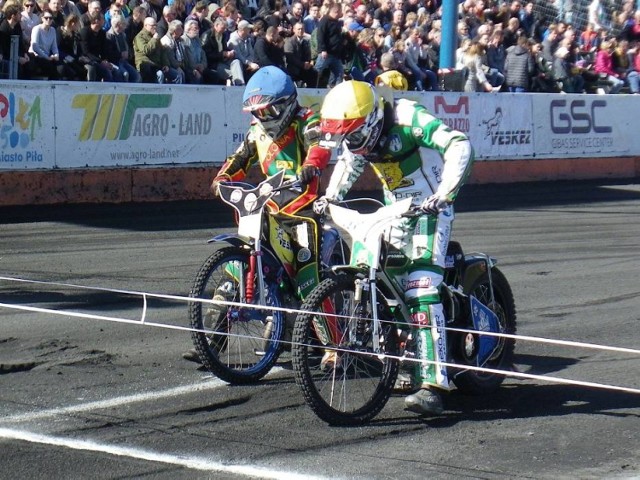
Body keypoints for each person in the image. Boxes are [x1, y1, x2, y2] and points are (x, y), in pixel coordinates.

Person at [316, 80, 474, 415]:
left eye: (355, 135)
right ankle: (402, 356)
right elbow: (349, 163)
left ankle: (434, 384)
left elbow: (459, 144)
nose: (352, 143)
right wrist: (330, 198)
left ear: (372, 120)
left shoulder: (408, 118)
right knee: (368, 273)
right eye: (347, 136)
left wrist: (445, 193)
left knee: (420, 289)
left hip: (430, 212)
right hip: (393, 213)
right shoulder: (359, 134)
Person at [183, 66, 331, 363]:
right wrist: (221, 178)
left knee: (309, 278)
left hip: (302, 211)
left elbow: (320, 145)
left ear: (287, 102)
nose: (264, 117)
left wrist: (311, 165)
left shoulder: (307, 119)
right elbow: (238, 158)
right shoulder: (256, 131)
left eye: (269, 110)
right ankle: (212, 342)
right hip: (266, 208)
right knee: (234, 272)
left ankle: (335, 348)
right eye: (258, 112)